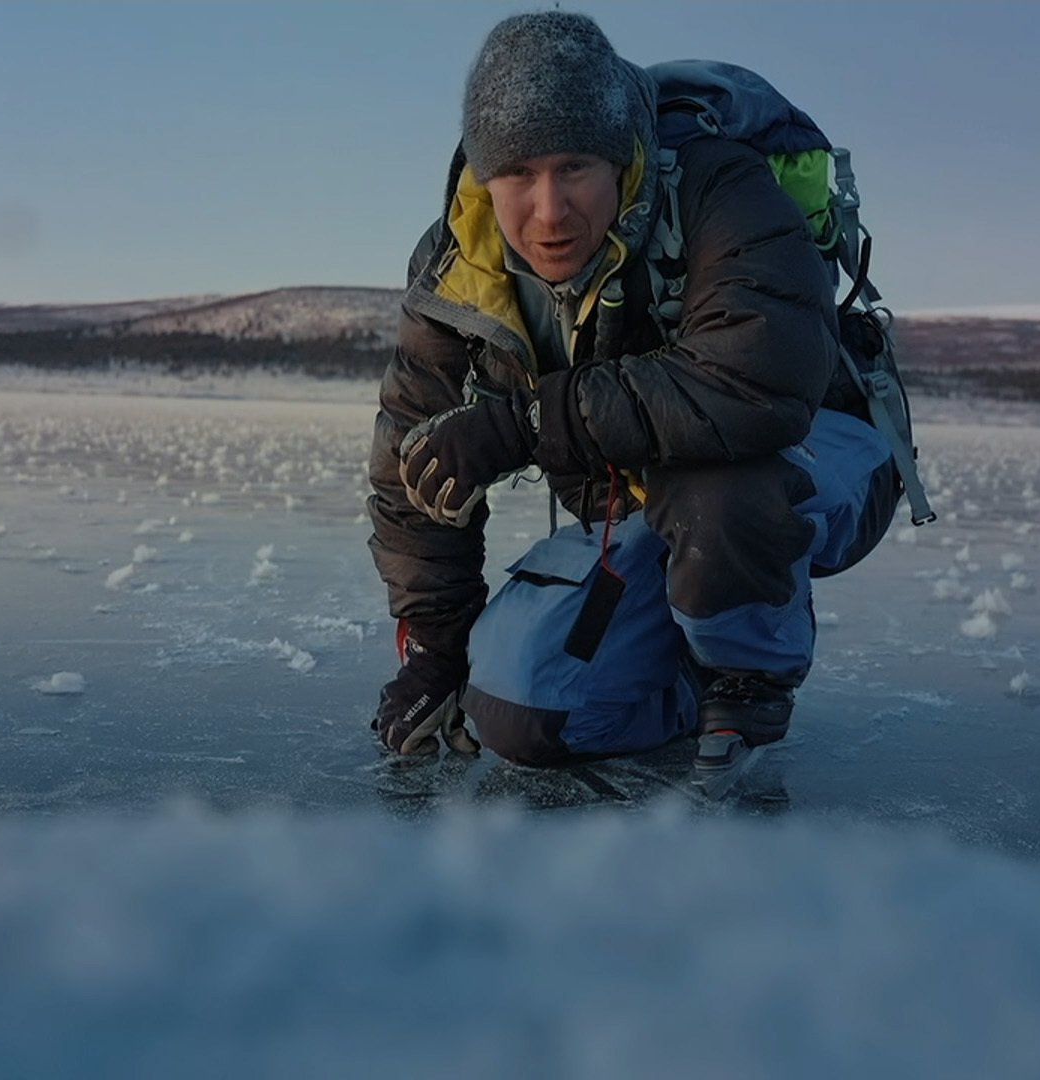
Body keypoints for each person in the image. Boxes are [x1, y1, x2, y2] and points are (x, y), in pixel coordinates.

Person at [367, 11, 900, 771]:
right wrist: (436, 650)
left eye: (575, 166)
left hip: (812, 450)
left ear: (621, 159)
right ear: (486, 177)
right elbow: (407, 463)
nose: (548, 211)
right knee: (522, 714)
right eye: (517, 173)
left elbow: (755, 382)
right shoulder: (460, 261)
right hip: (644, 497)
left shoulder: (719, 184)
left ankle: (746, 677)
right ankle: (678, 670)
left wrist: (525, 423)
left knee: (718, 487)